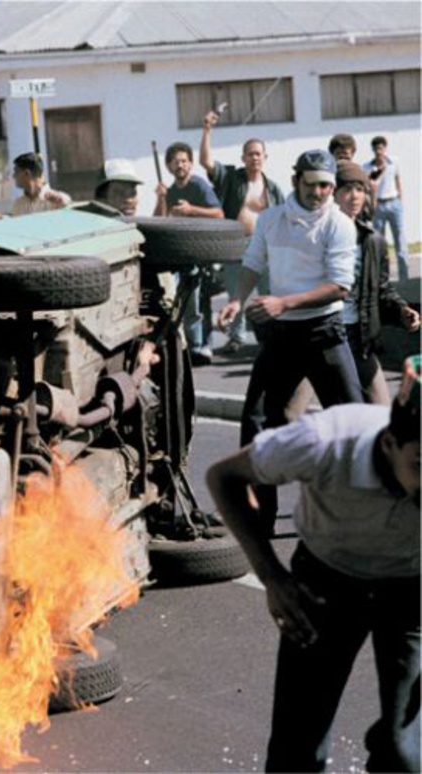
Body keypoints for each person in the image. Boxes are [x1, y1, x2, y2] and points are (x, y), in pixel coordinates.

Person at [206, 361, 420, 773]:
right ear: (390, 442)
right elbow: (224, 478)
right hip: (327, 582)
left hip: (411, 590)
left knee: (406, 751)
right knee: (297, 749)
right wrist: (271, 576)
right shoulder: (325, 440)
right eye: (421, 465)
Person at [217, 149, 363, 536]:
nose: (320, 192)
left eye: (327, 185)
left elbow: (340, 287)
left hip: (323, 331)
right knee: (257, 422)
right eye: (313, 184)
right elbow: (253, 263)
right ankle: (260, 520)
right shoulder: (270, 219)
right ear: (297, 179)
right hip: (281, 335)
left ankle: (362, 515)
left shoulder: (339, 224)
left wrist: (283, 302)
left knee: (355, 421)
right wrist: (237, 299)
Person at [335, 160, 421, 404]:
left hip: (358, 337)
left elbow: (381, 290)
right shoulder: (317, 237)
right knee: (288, 413)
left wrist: (402, 311)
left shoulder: (373, 241)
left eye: (360, 189)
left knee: (380, 410)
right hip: (323, 340)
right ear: (333, 194)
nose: (354, 196)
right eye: (347, 190)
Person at [199, 110, 285, 354]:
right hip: (238, 245)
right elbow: (206, 162)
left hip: (266, 247)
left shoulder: (273, 188)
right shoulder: (231, 178)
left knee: (270, 292)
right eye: (250, 154)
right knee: (236, 294)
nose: (254, 158)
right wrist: (207, 130)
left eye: (258, 154)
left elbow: (284, 217)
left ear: (264, 157)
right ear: (243, 157)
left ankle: (272, 336)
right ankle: (236, 337)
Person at [153, 141, 224, 365]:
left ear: (191, 164)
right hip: (179, 255)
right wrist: (161, 198)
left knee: (199, 302)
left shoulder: (200, 186)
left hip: (202, 253)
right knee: (182, 303)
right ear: (169, 167)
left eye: (184, 161)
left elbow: (219, 214)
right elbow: (159, 221)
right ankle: (189, 348)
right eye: (176, 162)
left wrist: (191, 210)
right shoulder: (170, 191)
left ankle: (202, 346)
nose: (180, 165)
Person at [363, 136, 409, 282]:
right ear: (373, 150)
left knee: (400, 241)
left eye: (381, 148)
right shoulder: (368, 167)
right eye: (376, 149)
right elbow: (368, 186)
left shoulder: (393, 162)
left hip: (394, 203)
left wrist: (400, 198)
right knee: (380, 243)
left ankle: (405, 278)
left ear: (385, 148)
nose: (379, 152)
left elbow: (397, 179)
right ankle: (383, 279)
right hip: (379, 206)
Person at [0, 152, 70, 220]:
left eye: (16, 172)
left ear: (26, 174)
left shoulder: (56, 200)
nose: (13, 176)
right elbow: (11, 224)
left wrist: (60, 200)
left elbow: (69, 207)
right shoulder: (19, 204)